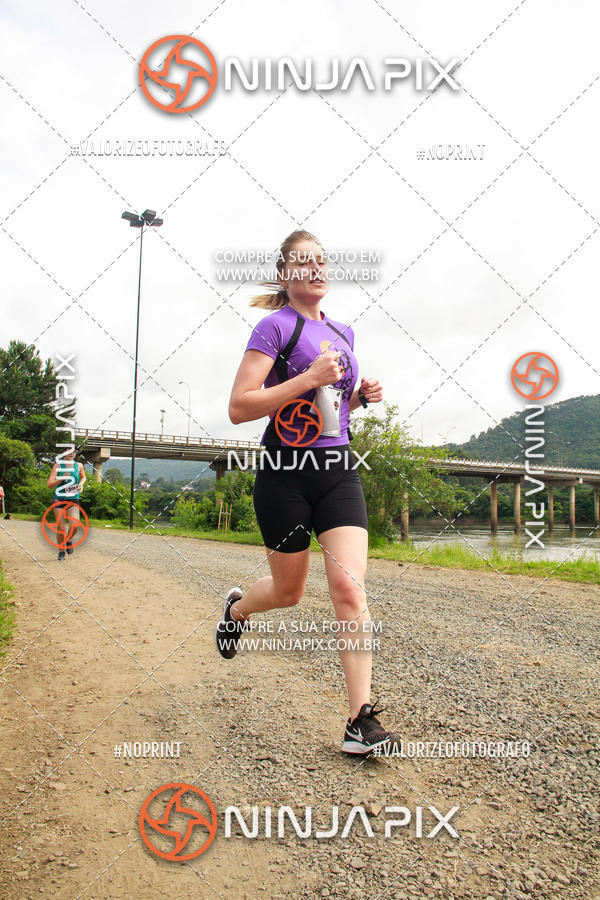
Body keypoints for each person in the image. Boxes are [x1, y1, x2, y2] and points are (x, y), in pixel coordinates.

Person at [216, 229, 398, 755]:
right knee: (289, 592)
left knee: (349, 592)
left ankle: (359, 722)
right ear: (284, 275)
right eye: (303, 263)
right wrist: (308, 376)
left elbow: (326, 412)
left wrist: (359, 399)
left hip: (338, 469)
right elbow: (240, 407)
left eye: (321, 261)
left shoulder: (345, 332)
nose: (315, 269)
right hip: (284, 474)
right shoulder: (273, 327)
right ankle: (237, 611)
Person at [46, 449, 86, 561]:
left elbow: (83, 477)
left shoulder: (79, 465)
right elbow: (49, 484)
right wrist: (60, 479)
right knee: (61, 527)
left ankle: (69, 540)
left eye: (74, 451)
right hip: (59, 499)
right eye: (68, 451)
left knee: (75, 525)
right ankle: (61, 551)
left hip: (73, 499)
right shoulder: (58, 465)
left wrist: (81, 484)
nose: (71, 453)